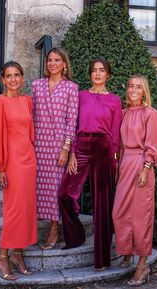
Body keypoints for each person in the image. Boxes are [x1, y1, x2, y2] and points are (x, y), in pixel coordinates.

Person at [59, 57, 122, 270]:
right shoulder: (80, 96)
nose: (97, 74)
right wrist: (73, 153)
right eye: (94, 70)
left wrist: (115, 160)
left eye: (101, 70)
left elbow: (114, 134)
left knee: (102, 204)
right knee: (64, 194)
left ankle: (102, 259)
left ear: (108, 75)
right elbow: (73, 124)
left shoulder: (115, 100)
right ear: (89, 74)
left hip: (104, 148)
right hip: (82, 146)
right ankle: (75, 237)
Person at [0, 61, 37, 281]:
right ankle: (2, 256)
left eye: (17, 75)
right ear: (2, 80)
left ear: (22, 78)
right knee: (13, 211)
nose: (13, 79)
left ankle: (17, 253)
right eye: (9, 76)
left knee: (25, 209)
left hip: (28, 160)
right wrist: (0, 167)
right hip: (11, 161)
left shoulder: (27, 101)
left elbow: (30, 132)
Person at [112, 74, 157, 286]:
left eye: (138, 87)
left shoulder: (150, 114)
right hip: (125, 165)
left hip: (142, 164)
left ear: (144, 91)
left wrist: (146, 168)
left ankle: (142, 265)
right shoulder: (123, 113)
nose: (133, 90)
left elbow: (153, 144)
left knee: (141, 215)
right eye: (131, 86)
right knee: (120, 212)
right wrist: (117, 168)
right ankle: (126, 252)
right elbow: (120, 146)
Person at [32, 47, 79, 250]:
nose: (52, 63)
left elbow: (72, 120)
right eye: (50, 60)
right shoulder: (36, 85)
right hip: (38, 143)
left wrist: (66, 149)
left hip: (59, 144)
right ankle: (30, 229)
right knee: (36, 185)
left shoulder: (71, 88)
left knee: (54, 187)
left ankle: (54, 228)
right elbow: (31, 116)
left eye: (57, 60)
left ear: (64, 64)